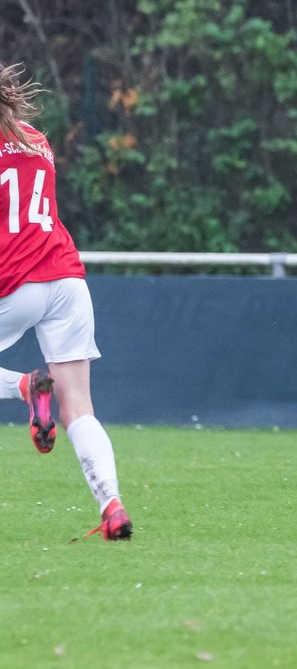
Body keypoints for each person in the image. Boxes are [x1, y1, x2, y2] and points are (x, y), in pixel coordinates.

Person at [0, 61, 132, 540]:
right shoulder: (38, 140)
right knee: (79, 405)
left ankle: (23, 387)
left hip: (16, 281)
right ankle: (112, 506)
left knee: (47, 388)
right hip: (66, 278)